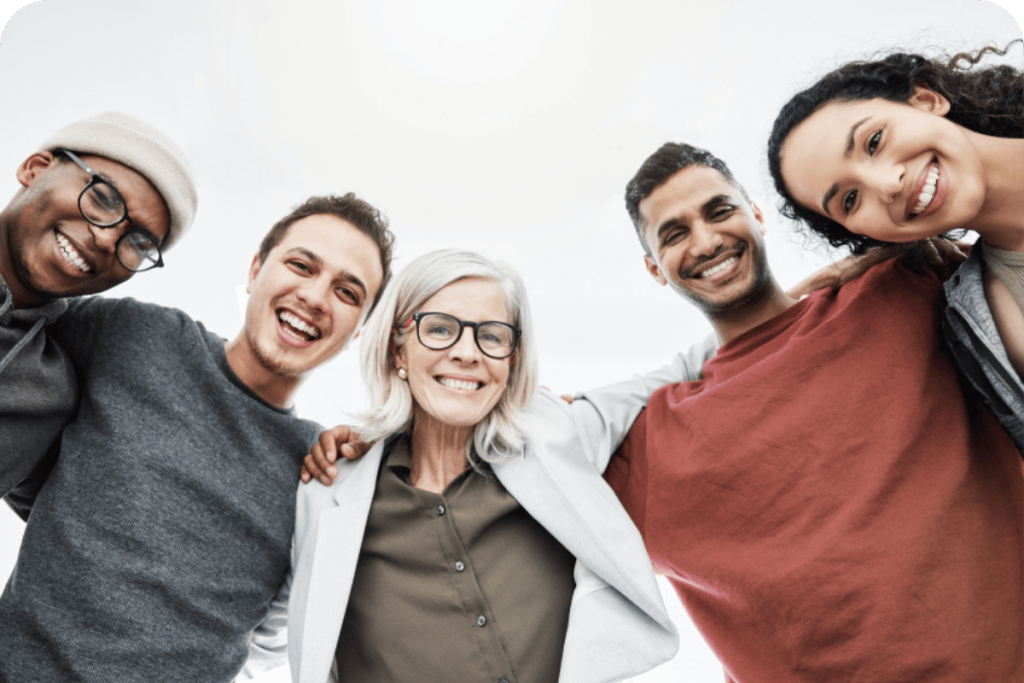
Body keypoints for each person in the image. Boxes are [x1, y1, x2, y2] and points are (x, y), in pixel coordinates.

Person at [604, 142, 1023, 682]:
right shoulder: (649, 446)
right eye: (675, 233)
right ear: (654, 269)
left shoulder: (898, 289)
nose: (706, 241)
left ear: (755, 213)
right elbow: (507, 463)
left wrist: (901, 249)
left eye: (719, 210)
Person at [263, 249, 717, 683]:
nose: (467, 352)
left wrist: (777, 299)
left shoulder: (556, 437)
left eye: (493, 335)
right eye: (439, 329)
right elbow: (261, 631)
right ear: (397, 351)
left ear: (512, 359)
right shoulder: (328, 490)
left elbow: (689, 366)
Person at [0, 194, 393, 683]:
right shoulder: (137, 336)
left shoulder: (320, 475)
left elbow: (274, 642)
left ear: (360, 330)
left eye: (348, 293)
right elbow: (17, 339)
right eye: (300, 265)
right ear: (254, 271)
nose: (315, 297)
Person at [766, 44, 1024, 452]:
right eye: (850, 201)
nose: (888, 185)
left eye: (873, 141)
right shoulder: (987, 325)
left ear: (926, 99)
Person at [1, 111, 197, 502]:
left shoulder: (47, 394)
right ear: (35, 168)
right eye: (103, 198)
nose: (108, 241)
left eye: (139, 243)